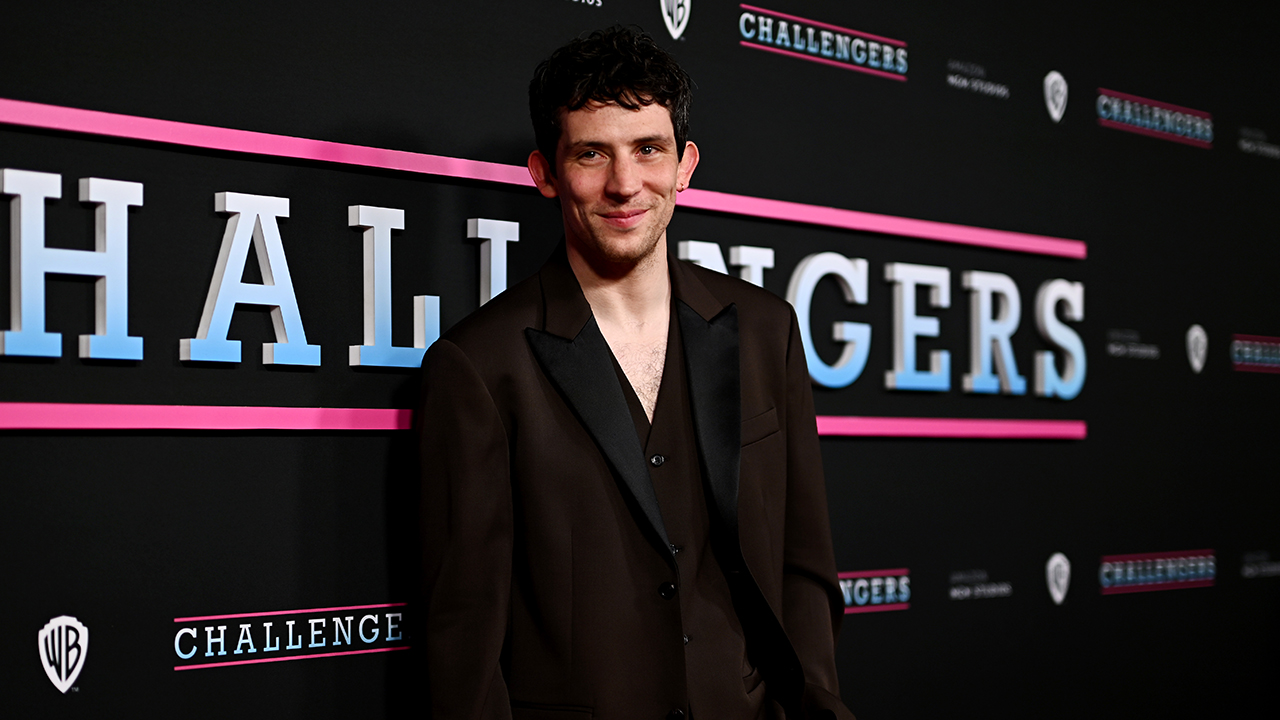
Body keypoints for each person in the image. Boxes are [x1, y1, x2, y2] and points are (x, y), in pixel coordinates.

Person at [418, 26, 853, 720]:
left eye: (648, 149)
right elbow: (463, 636)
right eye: (593, 153)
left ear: (685, 164)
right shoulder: (479, 365)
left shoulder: (766, 330)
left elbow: (805, 563)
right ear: (545, 172)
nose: (625, 185)